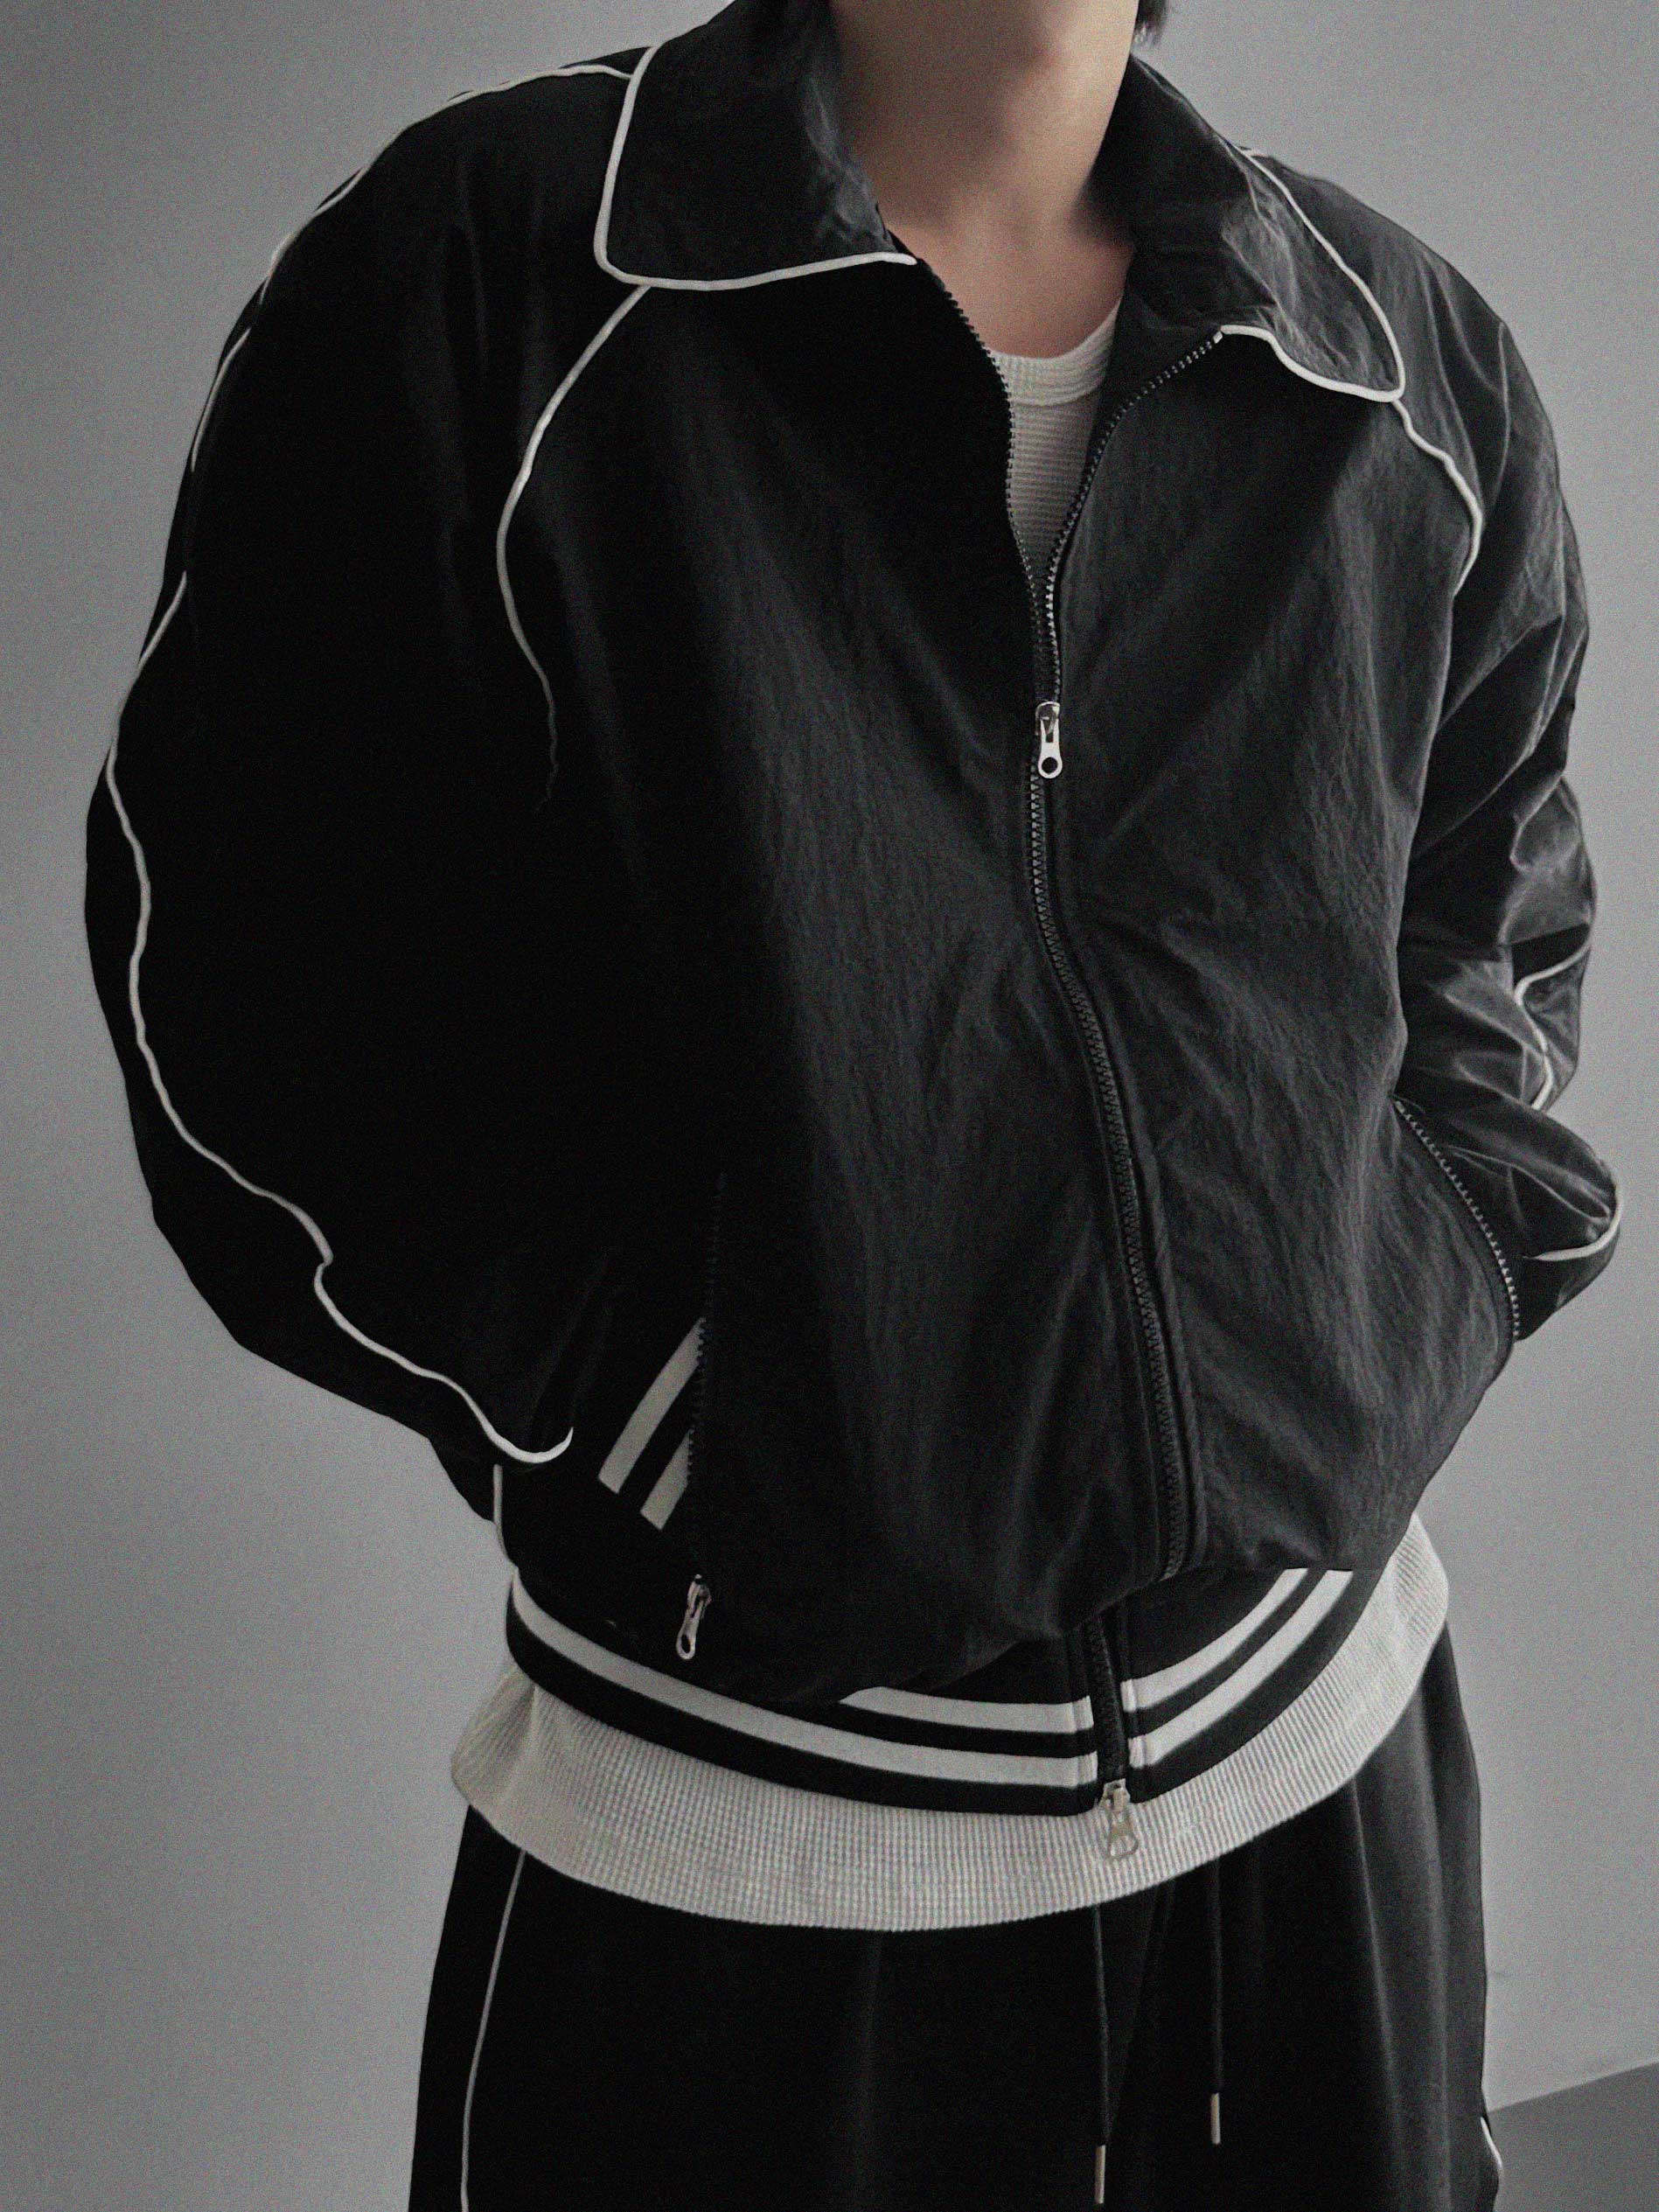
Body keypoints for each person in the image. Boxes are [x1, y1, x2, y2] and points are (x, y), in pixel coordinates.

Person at [83, 0, 1625, 2203]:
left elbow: (1488, 930)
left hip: (1324, 1780)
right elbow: (259, 985)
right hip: (753, 1856)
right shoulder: (496, 273)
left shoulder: (1398, 358)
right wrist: (686, 1423)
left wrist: (1410, 1295)